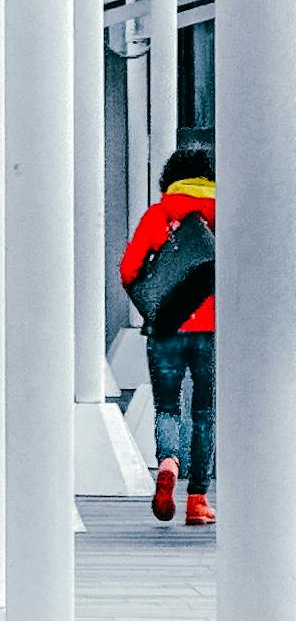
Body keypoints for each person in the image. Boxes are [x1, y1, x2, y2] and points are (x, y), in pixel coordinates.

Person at [122, 142, 215, 528]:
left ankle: (168, 463)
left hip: (166, 329)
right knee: (205, 412)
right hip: (211, 329)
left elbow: (129, 270)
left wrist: (156, 302)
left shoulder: (157, 216)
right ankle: (197, 501)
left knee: (167, 406)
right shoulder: (219, 216)